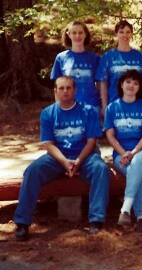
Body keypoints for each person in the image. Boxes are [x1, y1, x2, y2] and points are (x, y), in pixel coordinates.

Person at [14, 76, 110, 241]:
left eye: (68, 88)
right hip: (58, 157)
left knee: (101, 169)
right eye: (61, 88)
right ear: (55, 91)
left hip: (85, 155)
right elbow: (49, 145)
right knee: (32, 170)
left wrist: (78, 161)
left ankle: (96, 220)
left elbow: (91, 141)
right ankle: (22, 223)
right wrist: (65, 163)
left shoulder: (87, 111)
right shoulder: (48, 113)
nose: (65, 91)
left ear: (75, 90)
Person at [104, 70, 142, 232]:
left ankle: (125, 209)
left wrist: (132, 153)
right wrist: (123, 153)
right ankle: (141, 218)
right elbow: (110, 135)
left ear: (139, 87)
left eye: (135, 83)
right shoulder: (112, 108)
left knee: (137, 163)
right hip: (120, 155)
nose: (131, 85)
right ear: (121, 84)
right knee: (136, 172)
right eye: (128, 82)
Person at [97, 20, 142, 116]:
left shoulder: (139, 56)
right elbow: (103, 83)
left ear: (132, 34)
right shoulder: (108, 57)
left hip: (137, 104)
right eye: (121, 32)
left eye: (128, 32)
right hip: (115, 103)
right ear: (116, 34)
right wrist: (105, 106)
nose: (125, 35)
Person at [50, 21, 101, 113]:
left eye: (80, 33)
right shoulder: (61, 58)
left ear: (85, 34)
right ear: (68, 34)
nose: (77, 36)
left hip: (92, 106)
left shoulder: (95, 58)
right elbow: (57, 86)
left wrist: (103, 106)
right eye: (74, 33)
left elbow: (101, 85)